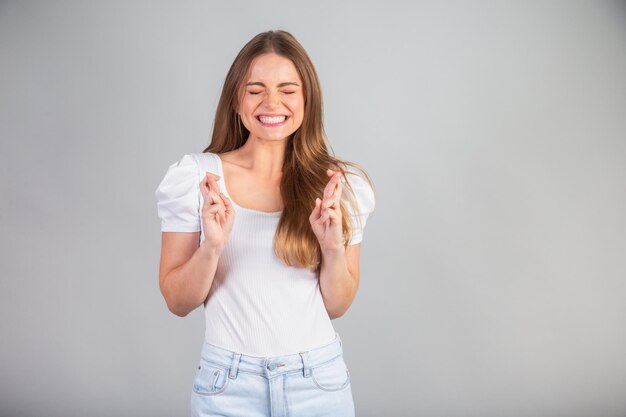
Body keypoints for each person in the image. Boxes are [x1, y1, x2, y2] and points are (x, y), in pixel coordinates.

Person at [155, 29, 375, 417]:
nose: (272, 102)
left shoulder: (338, 186)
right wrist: (212, 247)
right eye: (255, 89)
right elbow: (177, 301)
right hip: (228, 387)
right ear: (236, 100)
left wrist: (331, 247)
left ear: (308, 99)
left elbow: (337, 305)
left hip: (318, 383)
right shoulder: (198, 178)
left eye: (288, 90)